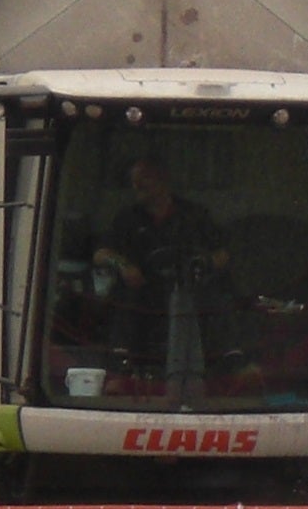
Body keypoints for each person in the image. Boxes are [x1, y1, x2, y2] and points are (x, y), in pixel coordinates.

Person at [91, 158, 250, 380]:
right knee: (122, 295)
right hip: (143, 291)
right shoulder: (127, 218)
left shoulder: (194, 215)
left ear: (163, 180)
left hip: (191, 287)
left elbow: (223, 253)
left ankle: (232, 358)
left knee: (219, 293)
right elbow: (100, 254)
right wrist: (124, 265)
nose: (136, 185)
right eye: (134, 181)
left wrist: (205, 264)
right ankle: (120, 361)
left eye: (144, 179)